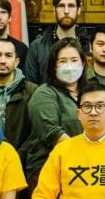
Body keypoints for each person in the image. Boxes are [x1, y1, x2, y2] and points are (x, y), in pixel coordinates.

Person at [21, 38, 85, 180]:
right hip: (49, 170)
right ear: (53, 66)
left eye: (74, 60)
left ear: (83, 63)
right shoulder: (44, 93)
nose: (69, 66)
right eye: (62, 61)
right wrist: (90, 154)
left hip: (86, 170)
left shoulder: (90, 93)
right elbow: (52, 133)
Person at [24, 0, 84, 84]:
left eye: (71, 6)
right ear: (54, 10)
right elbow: (30, 85)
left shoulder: (87, 46)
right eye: (61, 6)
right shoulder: (37, 47)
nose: (66, 11)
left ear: (79, 10)